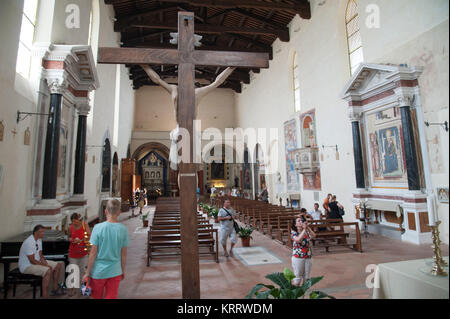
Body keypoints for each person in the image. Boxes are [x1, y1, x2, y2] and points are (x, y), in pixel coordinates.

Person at [140, 65, 236, 170]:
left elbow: (217, 82)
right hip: (179, 128)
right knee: (180, 166)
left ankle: (192, 185)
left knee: (191, 165)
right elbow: (157, 79)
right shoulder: (174, 89)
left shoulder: (196, 92)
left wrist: (232, 67)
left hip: (191, 129)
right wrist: (144, 65)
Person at [82, 199, 130, 299]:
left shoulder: (97, 228)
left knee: (96, 296)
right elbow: (124, 254)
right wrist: (123, 270)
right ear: (119, 212)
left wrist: (87, 272)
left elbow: (93, 253)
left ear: (105, 211)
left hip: (98, 271)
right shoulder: (123, 229)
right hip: (115, 270)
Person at [18, 225, 65, 298]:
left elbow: (40, 256)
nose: (43, 234)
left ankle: (55, 289)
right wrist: (46, 266)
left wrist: (45, 262)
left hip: (36, 262)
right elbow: (32, 260)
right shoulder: (29, 242)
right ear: (36, 232)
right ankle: (44, 296)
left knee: (58, 265)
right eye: (42, 232)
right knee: (47, 270)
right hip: (27, 266)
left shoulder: (39, 240)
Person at [67, 213, 91, 297]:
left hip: (83, 253)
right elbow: (69, 237)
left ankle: (83, 289)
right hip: (73, 253)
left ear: (79, 220)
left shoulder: (85, 226)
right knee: (72, 271)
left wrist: (81, 240)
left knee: (83, 272)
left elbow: (88, 236)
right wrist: (72, 240)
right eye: (73, 221)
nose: (74, 223)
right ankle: (72, 289)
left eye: (75, 221)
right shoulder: (70, 227)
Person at [291, 216, 316, 287]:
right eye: (298, 221)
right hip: (298, 258)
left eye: (301, 220)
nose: (301, 222)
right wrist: (304, 229)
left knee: (306, 278)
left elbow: (314, 235)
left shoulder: (306, 231)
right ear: (295, 224)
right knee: (297, 279)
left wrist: (307, 228)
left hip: (308, 257)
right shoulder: (294, 232)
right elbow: (298, 239)